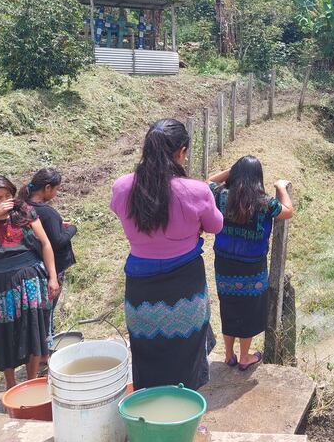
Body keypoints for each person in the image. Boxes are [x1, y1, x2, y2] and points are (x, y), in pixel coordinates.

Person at [110, 119, 223, 390]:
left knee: (147, 352)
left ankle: (150, 418)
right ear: (182, 152)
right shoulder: (196, 190)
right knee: (187, 354)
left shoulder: (123, 187)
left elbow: (121, 212)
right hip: (185, 283)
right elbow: (216, 225)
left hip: (140, 285)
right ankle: (185, 420)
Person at [0, 175, 60, 390]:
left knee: (34, 329)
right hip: (0, 283)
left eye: (8, 195)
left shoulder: (23, 211)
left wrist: (52, 277)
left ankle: (32, 381)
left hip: (31, 278)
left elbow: (45, 243)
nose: (5, 201)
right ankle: (11, 385)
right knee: (4, 331)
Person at [208, 156, 294, 371]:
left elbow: (208, 182)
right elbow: (288, 211)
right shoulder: (264, 203)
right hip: (252, 267)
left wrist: (232, 171)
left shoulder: (222, 196)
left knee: (228, 305)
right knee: (248, 309)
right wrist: (281, 187)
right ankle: (244, 357)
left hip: (224, 263)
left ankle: (229, 355)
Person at [18, 168, 77, 335]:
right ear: (48, 188)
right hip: (53, 268)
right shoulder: (46, 212)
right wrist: (72, 229)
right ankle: (47, 343)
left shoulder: (24, 206)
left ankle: (44, 341)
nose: (56, 193)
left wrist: (59, 226)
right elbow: (57, 241)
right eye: (57, 189)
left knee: (40, 309)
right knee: (48, 309)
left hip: (35, 266)